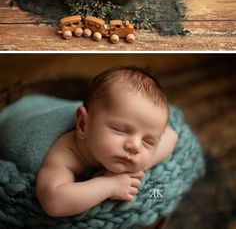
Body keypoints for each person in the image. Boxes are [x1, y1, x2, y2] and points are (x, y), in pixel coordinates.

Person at [36, 66, 178, 217]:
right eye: (120, 130)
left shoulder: (126, 143)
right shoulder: (66, 152)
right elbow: (53, 202)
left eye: (147, 141)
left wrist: (137, 166)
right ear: (83, 124)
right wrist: (107, 185)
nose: (135, 146)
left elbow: (172, 136)